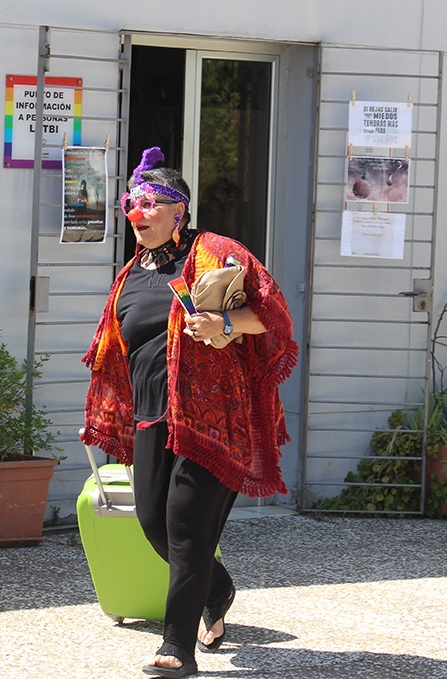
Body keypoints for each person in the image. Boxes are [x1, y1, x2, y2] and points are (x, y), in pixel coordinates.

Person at [81, 147, 298, 678]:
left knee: (185, 527)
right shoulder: (130, 274)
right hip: (153, 417)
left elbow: (272, 315)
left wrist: (225, 326)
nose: (137, 214)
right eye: (131, 205)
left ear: (178, 210)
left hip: (216, 418)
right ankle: (217, 589)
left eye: (150, 204)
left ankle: (177, 648)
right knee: (154, 524)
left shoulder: (215, 251)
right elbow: (117, 352)